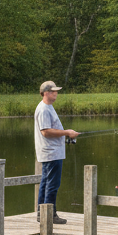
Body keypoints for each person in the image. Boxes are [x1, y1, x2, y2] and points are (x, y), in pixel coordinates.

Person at [34, 80, 79, 225]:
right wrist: (67, 132)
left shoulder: (48, 107)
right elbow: (46, 131)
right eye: (53, 91)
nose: (56, 93)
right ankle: (49, 215)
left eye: (56, 91)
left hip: (53, 152)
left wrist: (66, 134)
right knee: (52, 184)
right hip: (51, 153)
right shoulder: (44, 109)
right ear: (46, 93)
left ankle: (42, 214)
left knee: (46, 183)